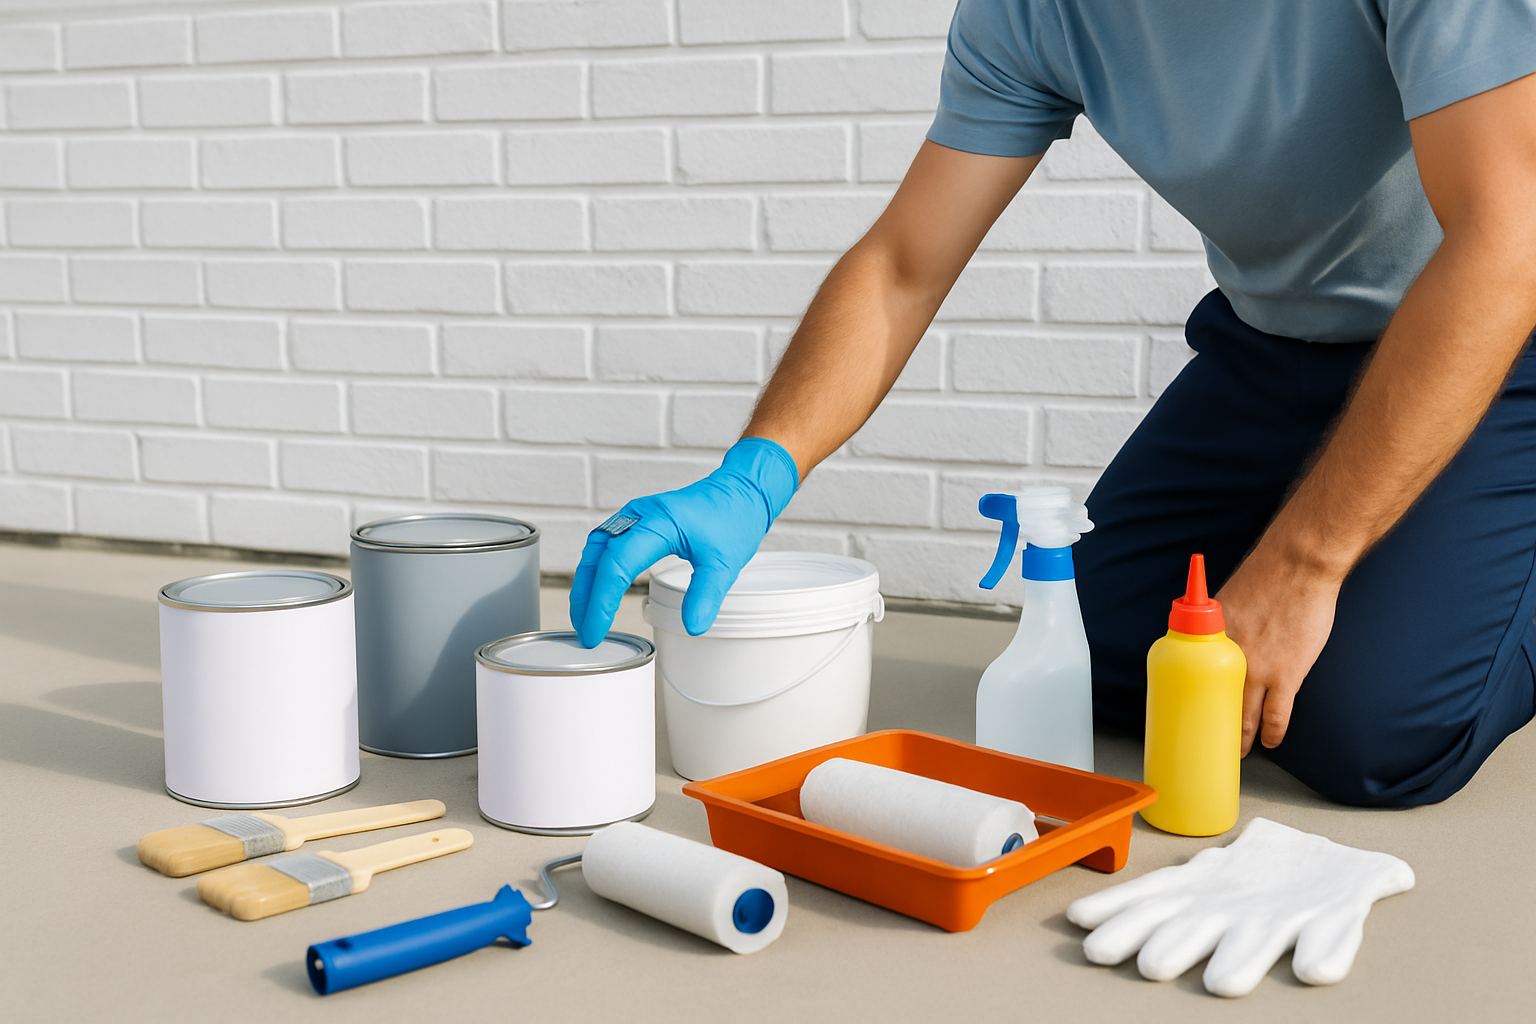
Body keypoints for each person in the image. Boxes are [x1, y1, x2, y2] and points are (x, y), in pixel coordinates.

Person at [569, 1, 1536, 808]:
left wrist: (1305, 561)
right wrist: (755, 472)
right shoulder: (1033, 9)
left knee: (1368, 737)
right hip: (1273, 349)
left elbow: (1509, 237)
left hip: (1494, 338)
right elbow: (903, 265)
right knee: (1111, 660)